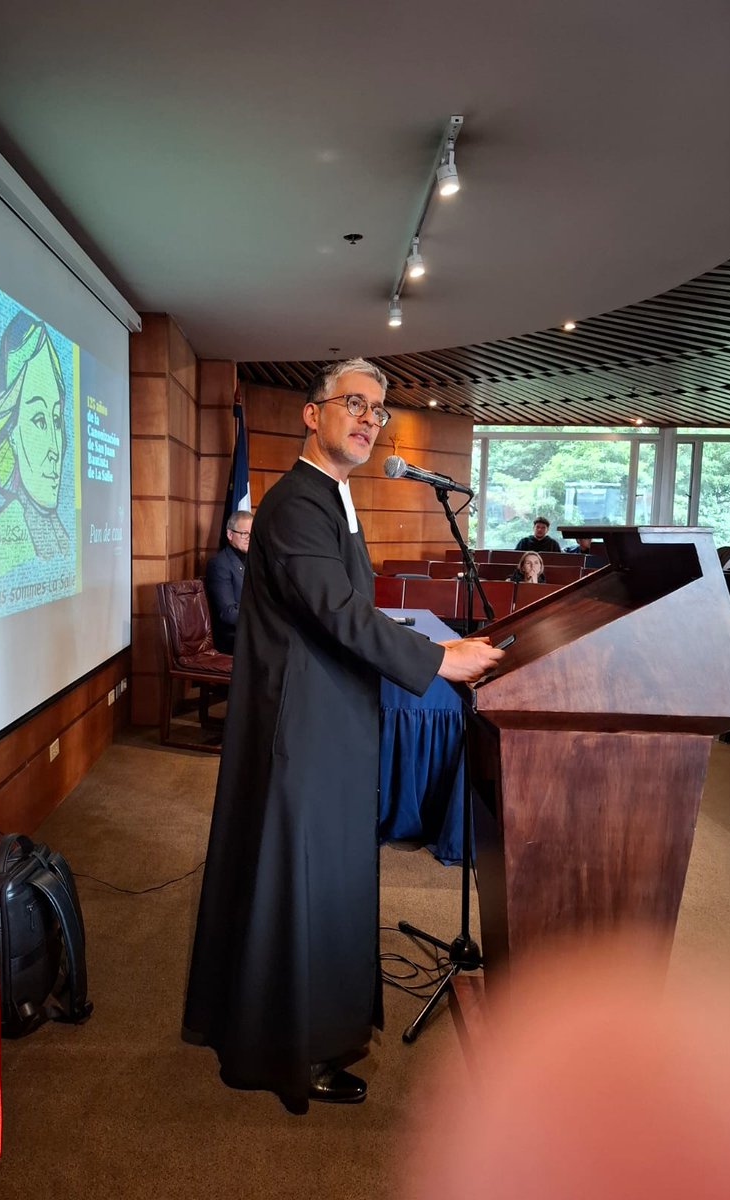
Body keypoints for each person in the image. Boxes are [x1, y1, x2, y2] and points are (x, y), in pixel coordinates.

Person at [182, 358, 504, 1112]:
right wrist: (438, 659)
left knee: (314, 880)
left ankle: (298, 1032)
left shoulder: (328, 496)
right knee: (303, 883)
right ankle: (292, 1049)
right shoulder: (299, 501)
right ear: (312, 413)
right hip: (305, 728)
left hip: (325, 715)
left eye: (377, 410)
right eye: (353, 403)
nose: (368, 419)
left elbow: (337, 609)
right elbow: (335, 609)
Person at [0, 311, 70, 565]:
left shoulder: (60, 536)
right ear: (10, 432)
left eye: (57, 420)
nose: (55, 450)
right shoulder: (2, 542)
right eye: (39, 420)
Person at [204, 510, 253, 652]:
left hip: (253, 630)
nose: (249, 538)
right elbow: (228, 614)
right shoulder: (219, 564)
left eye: (252, 534)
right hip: (232, 636)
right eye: (244, 533)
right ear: (230, 534)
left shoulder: (255, 561)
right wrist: (261, 613)